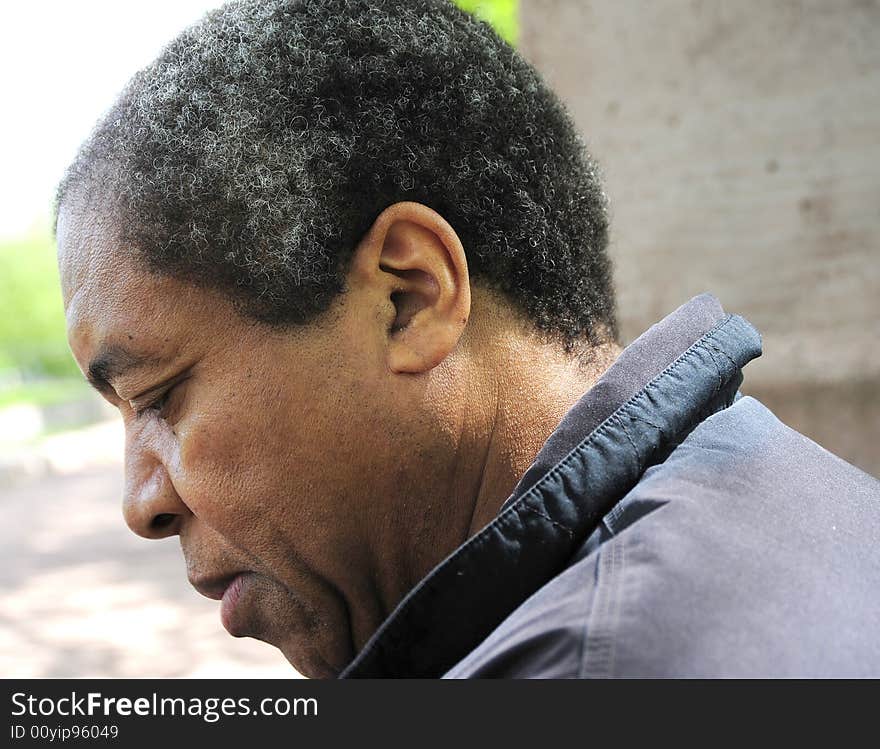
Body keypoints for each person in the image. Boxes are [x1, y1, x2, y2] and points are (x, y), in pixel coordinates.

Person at [54, 0, 879, 678]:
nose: (142, 505)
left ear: (409, 296)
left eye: (159, 397)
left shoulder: (601, 667)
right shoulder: (789, 495)